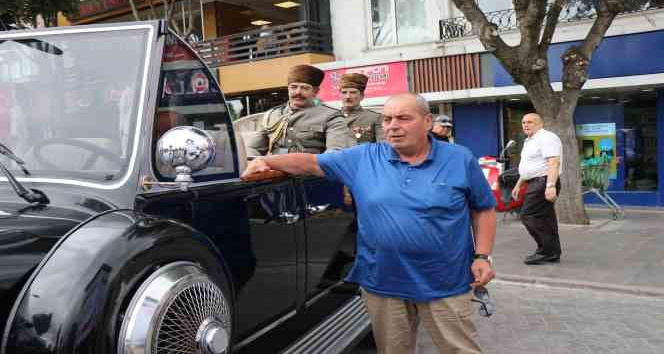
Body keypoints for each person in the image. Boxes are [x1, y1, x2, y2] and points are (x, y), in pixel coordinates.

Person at [241, 92, 497, 354]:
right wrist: (265, 160)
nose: (393, 126)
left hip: (446, 282)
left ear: (428, 121)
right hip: (383, 283)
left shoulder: (459, 158)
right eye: (387, 119)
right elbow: (309, 162)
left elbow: (484, 208)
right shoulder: (363, 157)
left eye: (403, 118)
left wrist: (482, 256)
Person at [245, 64, 348, 156]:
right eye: (293, 87)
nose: (298, 92)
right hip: (275, 174)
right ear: (288, 89)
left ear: (316, 91)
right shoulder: (271, 115)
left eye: (304, 88)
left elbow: (336, 152)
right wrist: (259, 165)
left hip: (312, 175)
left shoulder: (331, 117)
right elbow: (253, 148)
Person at [511, 113, 563, 265]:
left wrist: (550, 185)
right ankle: (553, 252)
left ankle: (545, 251)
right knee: (546, 219)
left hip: (543, 182)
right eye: (524, 122)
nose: (526, 125)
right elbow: (530, 165)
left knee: (529, 215)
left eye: (530, 122)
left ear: (540, 123)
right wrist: (519, 183)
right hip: (536, 181)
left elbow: (553, 162)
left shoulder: (546, 138)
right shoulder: (530, 140)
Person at [339, 73, 383, 144]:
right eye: (344, 92)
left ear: (362, 96)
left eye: (353, 92)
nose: (348, 96)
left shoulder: (375, 118)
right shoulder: (331, 117)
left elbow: (382, 146)